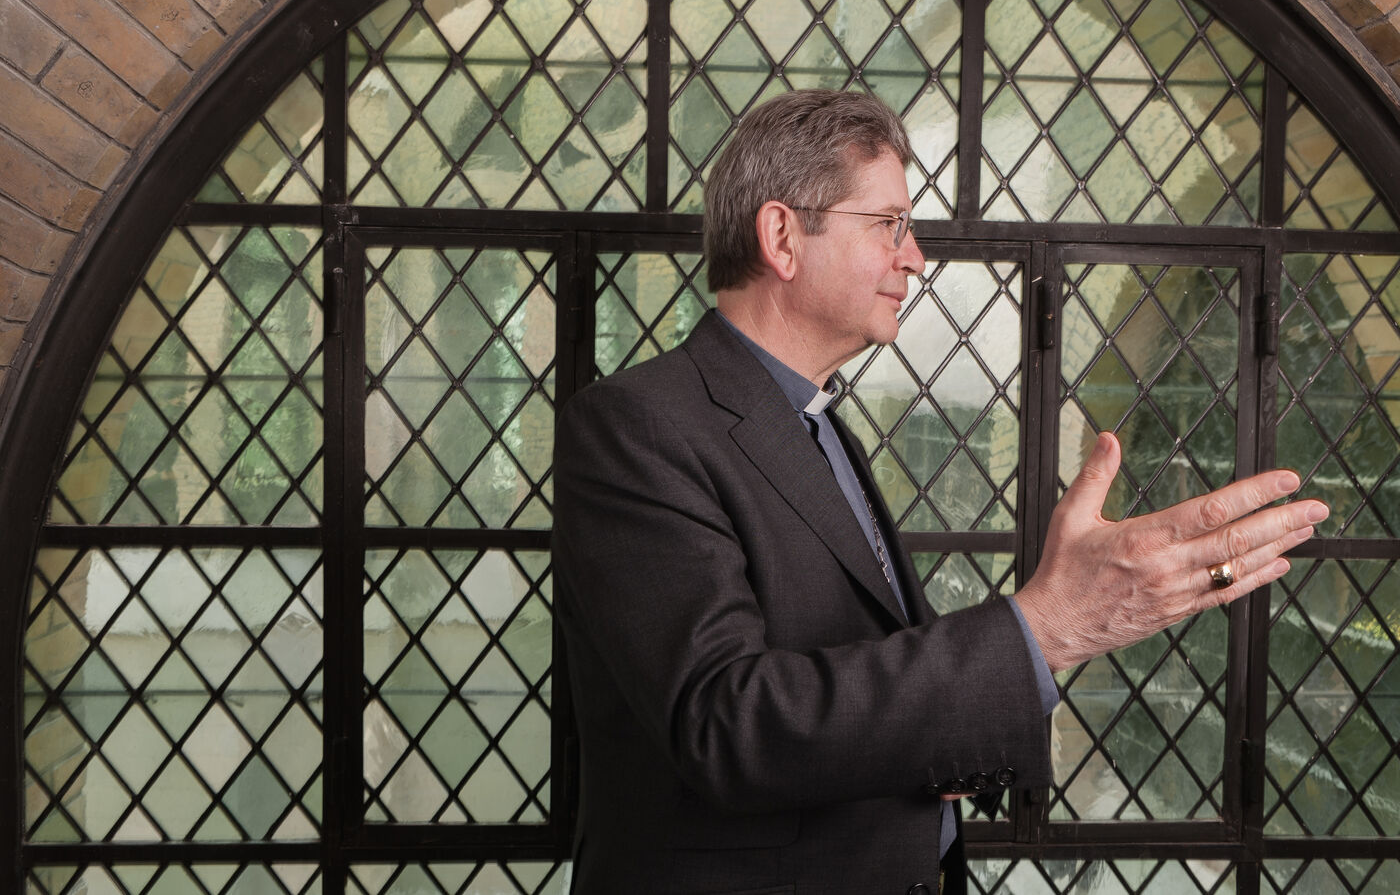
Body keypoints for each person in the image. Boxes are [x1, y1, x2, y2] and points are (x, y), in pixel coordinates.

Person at [550, 89, 1326, 894]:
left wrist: (980, 713)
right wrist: (1044, 630)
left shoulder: (822, 426)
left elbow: (869, 676)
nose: (915, 256)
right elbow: (730, 723)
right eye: (889, 224)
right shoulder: (636, 428)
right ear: (782, 236)